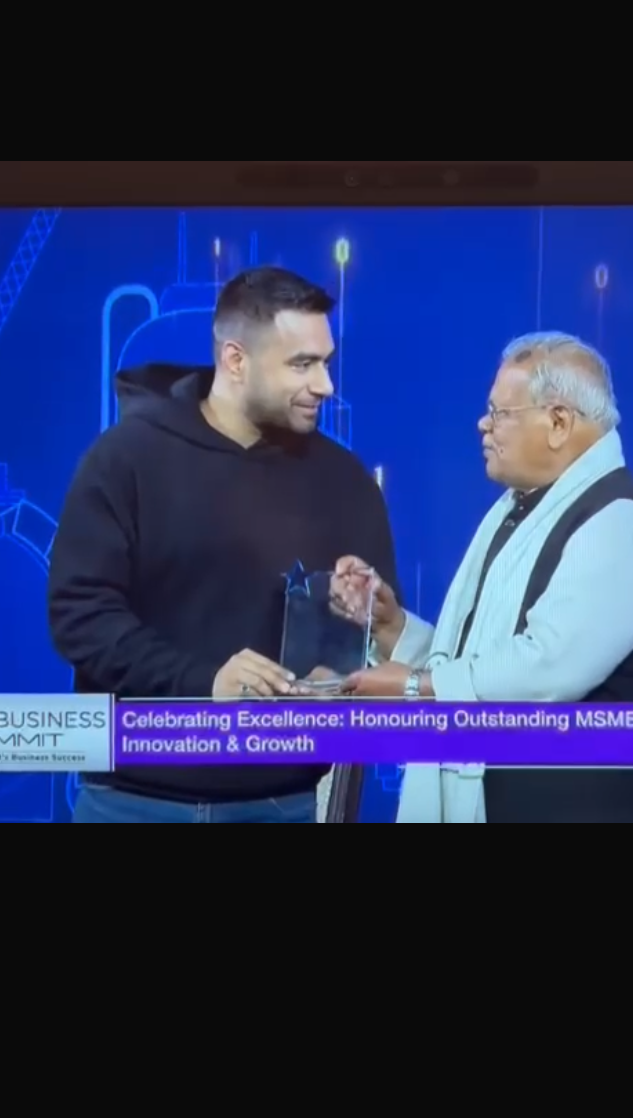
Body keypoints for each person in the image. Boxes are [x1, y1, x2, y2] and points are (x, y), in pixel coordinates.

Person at [48, 266, 399, 825]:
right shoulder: (126, 460)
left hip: (280, 805)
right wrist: (204, 681)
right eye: (302, 365)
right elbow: (81, 618)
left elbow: (372, 648)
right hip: (132, 803)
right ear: (235, 360)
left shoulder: (346, 482)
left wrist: (353, 636)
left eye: (325, 362)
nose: (325, 385)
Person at [336, 333, 633, 825]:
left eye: (500, 412)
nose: (483, 425)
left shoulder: (622, 521)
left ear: (558, 422)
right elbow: (483, 666)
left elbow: (548, 667)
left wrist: (417, 689)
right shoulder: (519, 513)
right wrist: (393, 630)